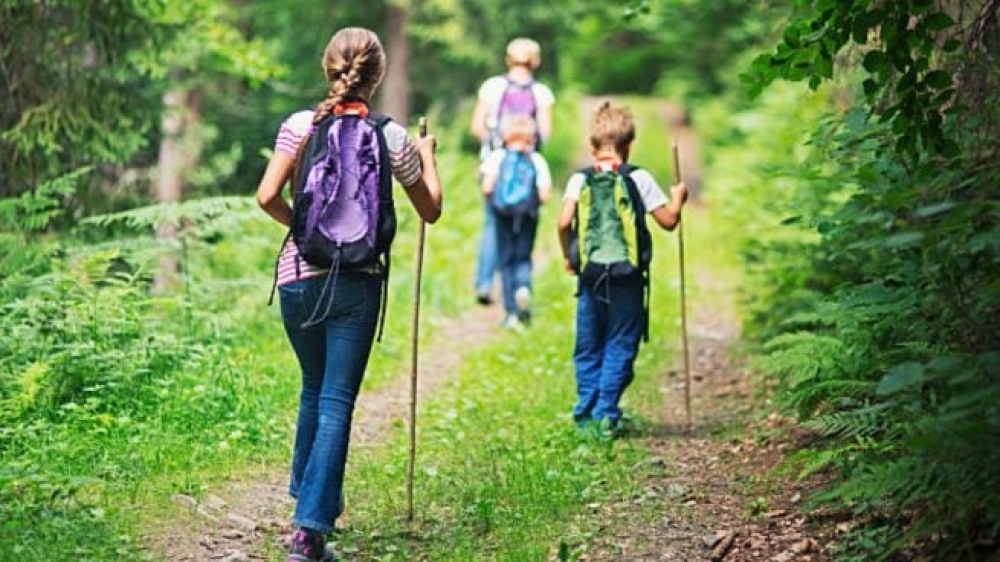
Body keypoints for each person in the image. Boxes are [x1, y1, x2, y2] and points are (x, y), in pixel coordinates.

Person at [255, 27, 442, 562]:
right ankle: (309, 532)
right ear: (376, 76)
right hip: (357, 283)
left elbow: (266, 195)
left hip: (299, 278)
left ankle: (308, 500)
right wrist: (427, 155)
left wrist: (302, 231)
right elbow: (430, 208)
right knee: (336, 399)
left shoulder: (298, 126)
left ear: (327, 68)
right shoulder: (392, 137)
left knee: (314, 389)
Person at [556, 102, 687, 435]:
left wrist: (570, 256)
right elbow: (669, 222)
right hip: (628, 276)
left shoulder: (579, 180)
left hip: (591, 274)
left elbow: (563, 221)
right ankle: (606, 413)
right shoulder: (638, 177)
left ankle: (586, 416)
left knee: (588, 345)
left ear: (591, 146)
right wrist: (678, 198)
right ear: (630, 144)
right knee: (621, 342)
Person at [469, 37, 555, 306]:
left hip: (494, 165)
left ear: (508, 59)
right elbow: (546, 134)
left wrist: (496, 148)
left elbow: (476, 127)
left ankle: (485, 283)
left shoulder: (492, 87)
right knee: (525, 226)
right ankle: (521, 281)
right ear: (536, 62)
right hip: (528, 170)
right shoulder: (541, 93)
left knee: (492, 224)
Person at [480, 114, 552, 330]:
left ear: (505, 135)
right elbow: (545, 195)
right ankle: (524, 289)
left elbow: (487, 187)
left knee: (506, 260)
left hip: (502, 216)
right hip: (528, 216)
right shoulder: (536, 160)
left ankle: (511, 311)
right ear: (531, 137)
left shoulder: (497, 157)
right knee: (523, 257)